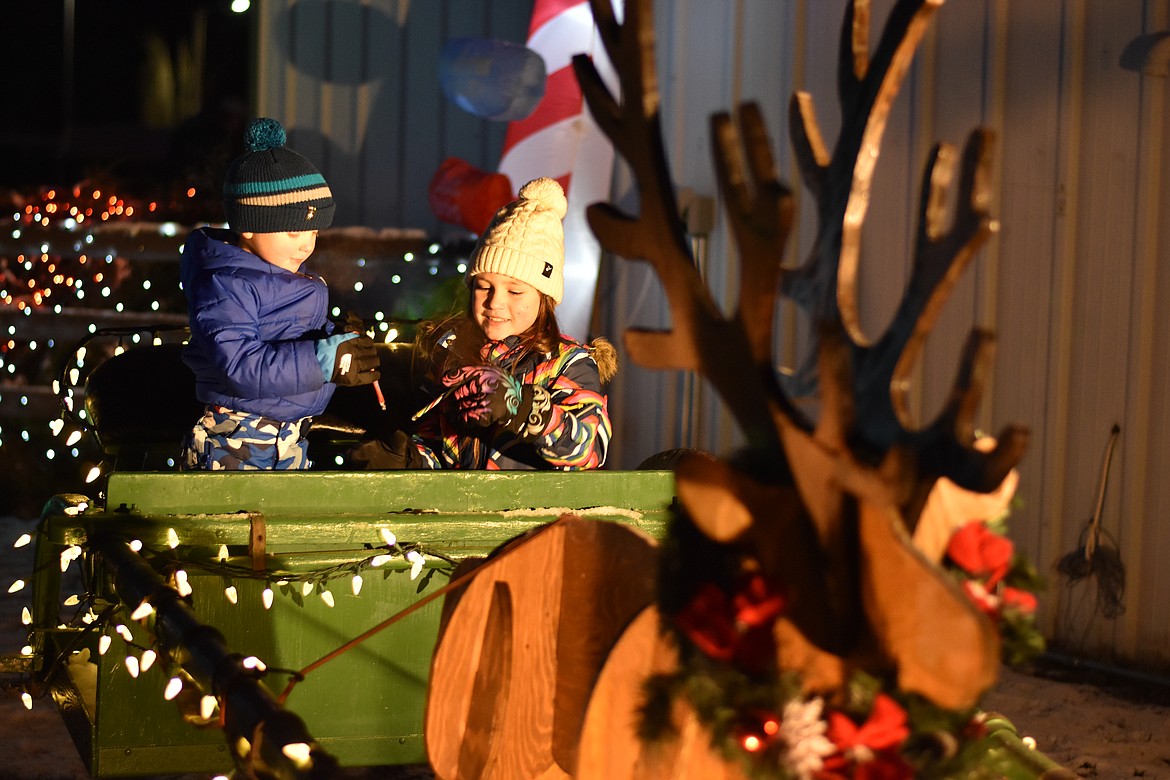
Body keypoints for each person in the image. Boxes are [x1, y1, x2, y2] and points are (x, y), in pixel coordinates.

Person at [350, 177, 615, 470]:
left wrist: (524, 409)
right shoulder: (452, 356)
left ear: (545, 298)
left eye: (514, 291)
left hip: (538, 513)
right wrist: (410, 460)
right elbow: (438, 446)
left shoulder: (567, 364)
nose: (495, 302)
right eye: (483, 286)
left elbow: (589, 449)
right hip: (464, 512)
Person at [180, 117, 380, 470]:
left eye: (314, 232)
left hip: (290, 435)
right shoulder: (226, 284)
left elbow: (288, 335)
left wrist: (337, 339)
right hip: (237, 436)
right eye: (292, 232)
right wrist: (321, 359)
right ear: (249, 227)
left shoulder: (282, 272)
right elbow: (240, 364)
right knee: (233, 522)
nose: (306, 245)